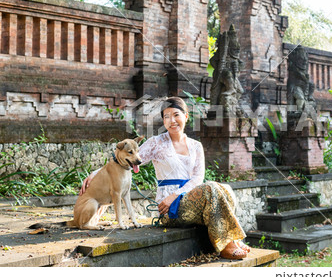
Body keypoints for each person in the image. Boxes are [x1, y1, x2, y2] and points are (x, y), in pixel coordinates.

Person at [80, 97, 250, 259]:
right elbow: (124, 159)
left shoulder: (196, 146)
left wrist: (176, 195)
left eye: (176, 115)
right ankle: (227, 245)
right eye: (166, 117)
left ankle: (232, 239)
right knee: (212, 187)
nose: (172, 120)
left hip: (185, 198)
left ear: (186, 116)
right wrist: (95, 173)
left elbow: (198, 178)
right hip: (167, 209)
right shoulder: (157, 142)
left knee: (225, 188)